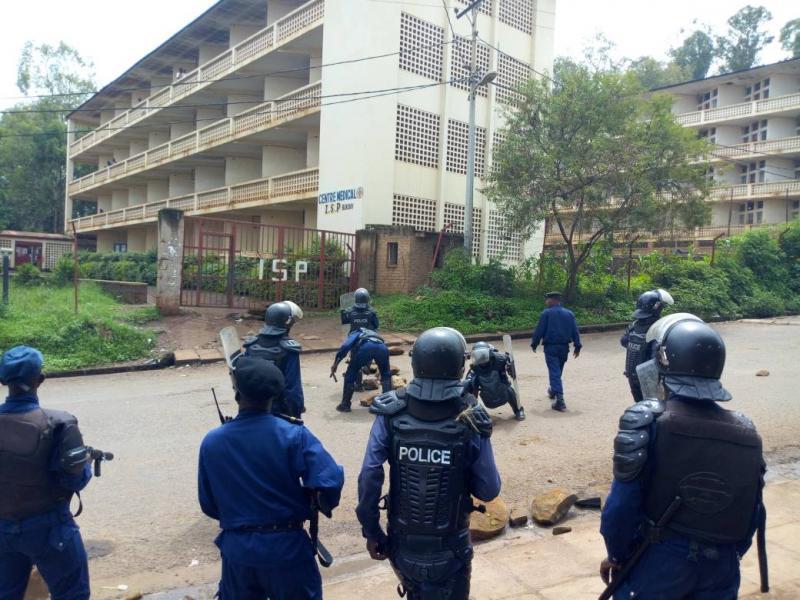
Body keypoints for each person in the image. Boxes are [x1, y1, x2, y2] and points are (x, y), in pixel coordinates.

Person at [599, 316, 766, 599]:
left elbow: (619, 510)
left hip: (660, 562)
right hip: (722, 566)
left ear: (664, 361)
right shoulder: (747, 432)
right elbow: (752, 514)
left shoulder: (650, 422)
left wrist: (616, 555)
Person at [356, 327, 502, 600]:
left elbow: (369, 475)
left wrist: (372, 531)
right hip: (452, 546)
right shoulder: (471, 415)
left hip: (402, 543)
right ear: (460, 366)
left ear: (416, 363)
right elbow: (488, 489)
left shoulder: (391, 413)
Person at [198, 357, 345, 600]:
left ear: (237, 393)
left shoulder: (212, 441)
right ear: (273, 396)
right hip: (287, 549)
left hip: (238, 551)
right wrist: (312, 501)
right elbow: (329, 482)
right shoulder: (293, 434)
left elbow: (209, 504)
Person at [0, 346, 93, 599]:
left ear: (2, 381)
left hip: (3, 529)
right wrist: (86, 463)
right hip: (50, 529)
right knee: (72, 594)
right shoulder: (59, 423)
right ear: (40, 380)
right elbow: (74, 479)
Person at [243, 300, 305, 417]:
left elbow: (242, 381)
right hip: (278, 413)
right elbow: (293, 390)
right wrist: (296, 414)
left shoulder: (251, 346)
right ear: (288, 323)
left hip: (251, 411)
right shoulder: (289, 350)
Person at [530, 291, 582, 412]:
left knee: (554, 371)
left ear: (553, 300)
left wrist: (534, 343)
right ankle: (553, 391)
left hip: (551, 347)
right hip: (564, 348)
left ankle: (560, 400)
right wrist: (577, 346)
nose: (546, 301)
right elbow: (575, 331)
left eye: (547, 299)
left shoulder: (546, 313)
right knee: (557, 371)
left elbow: (540, 330)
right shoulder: (569, 314)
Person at [620, 289, 673, 402]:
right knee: (656, 408)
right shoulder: (658, 327)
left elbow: (623, 342)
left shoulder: (633, 326)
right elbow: (658, 353)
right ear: (657, 308)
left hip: (632, 374)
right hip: (649, 377)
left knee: (640, 404)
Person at [330, 328, 391, 413]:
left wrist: (336, 363)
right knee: (386, 375)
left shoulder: (355, 333)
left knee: (351, 373)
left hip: (366, 348)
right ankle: (388, 405)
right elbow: (374, 347)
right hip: (382, 347)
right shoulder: (372, 332)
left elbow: (346, 346)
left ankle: (345, 404)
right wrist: (366, 365)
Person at [464, 341, 525, 421]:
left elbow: (508, 359)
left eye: (483, 354)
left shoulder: (500, 360)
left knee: (509, 390)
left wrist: (509, 367)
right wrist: (468, 383)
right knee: (471, 391)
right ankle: (474, 414)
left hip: (503, 390)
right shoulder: (475, 369)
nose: (481, 358)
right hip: (488, 397)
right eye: (478, 355)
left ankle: (518, 410)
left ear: (490, 353)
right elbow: (467, 382)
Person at [340, 288, 380, 391]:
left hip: (354, 339)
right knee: (369, 355)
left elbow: (344, 321)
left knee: (355, 360)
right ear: (367, 299)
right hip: (367, 338)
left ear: (356, 299)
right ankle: (366, 365)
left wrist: (343, 311)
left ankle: (358, 385)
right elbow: (376, 325)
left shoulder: (350, 311)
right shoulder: (371, 312)